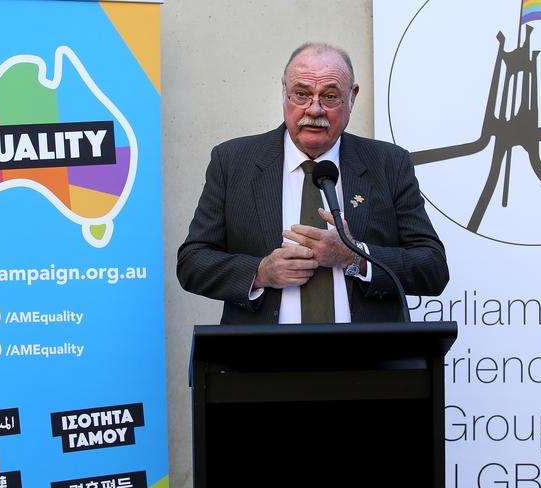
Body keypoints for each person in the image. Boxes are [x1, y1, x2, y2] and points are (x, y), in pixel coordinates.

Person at [177, 42, 448, 324]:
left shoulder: (388, 164)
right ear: (284, 92)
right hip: (259, 361)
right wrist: (260, 271)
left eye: (330, 96)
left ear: (352, 97)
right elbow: (192, 263)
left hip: (368, 360)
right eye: (302, 94)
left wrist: (354, 257)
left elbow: (432, 267)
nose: (314, 109)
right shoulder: (233, 162)